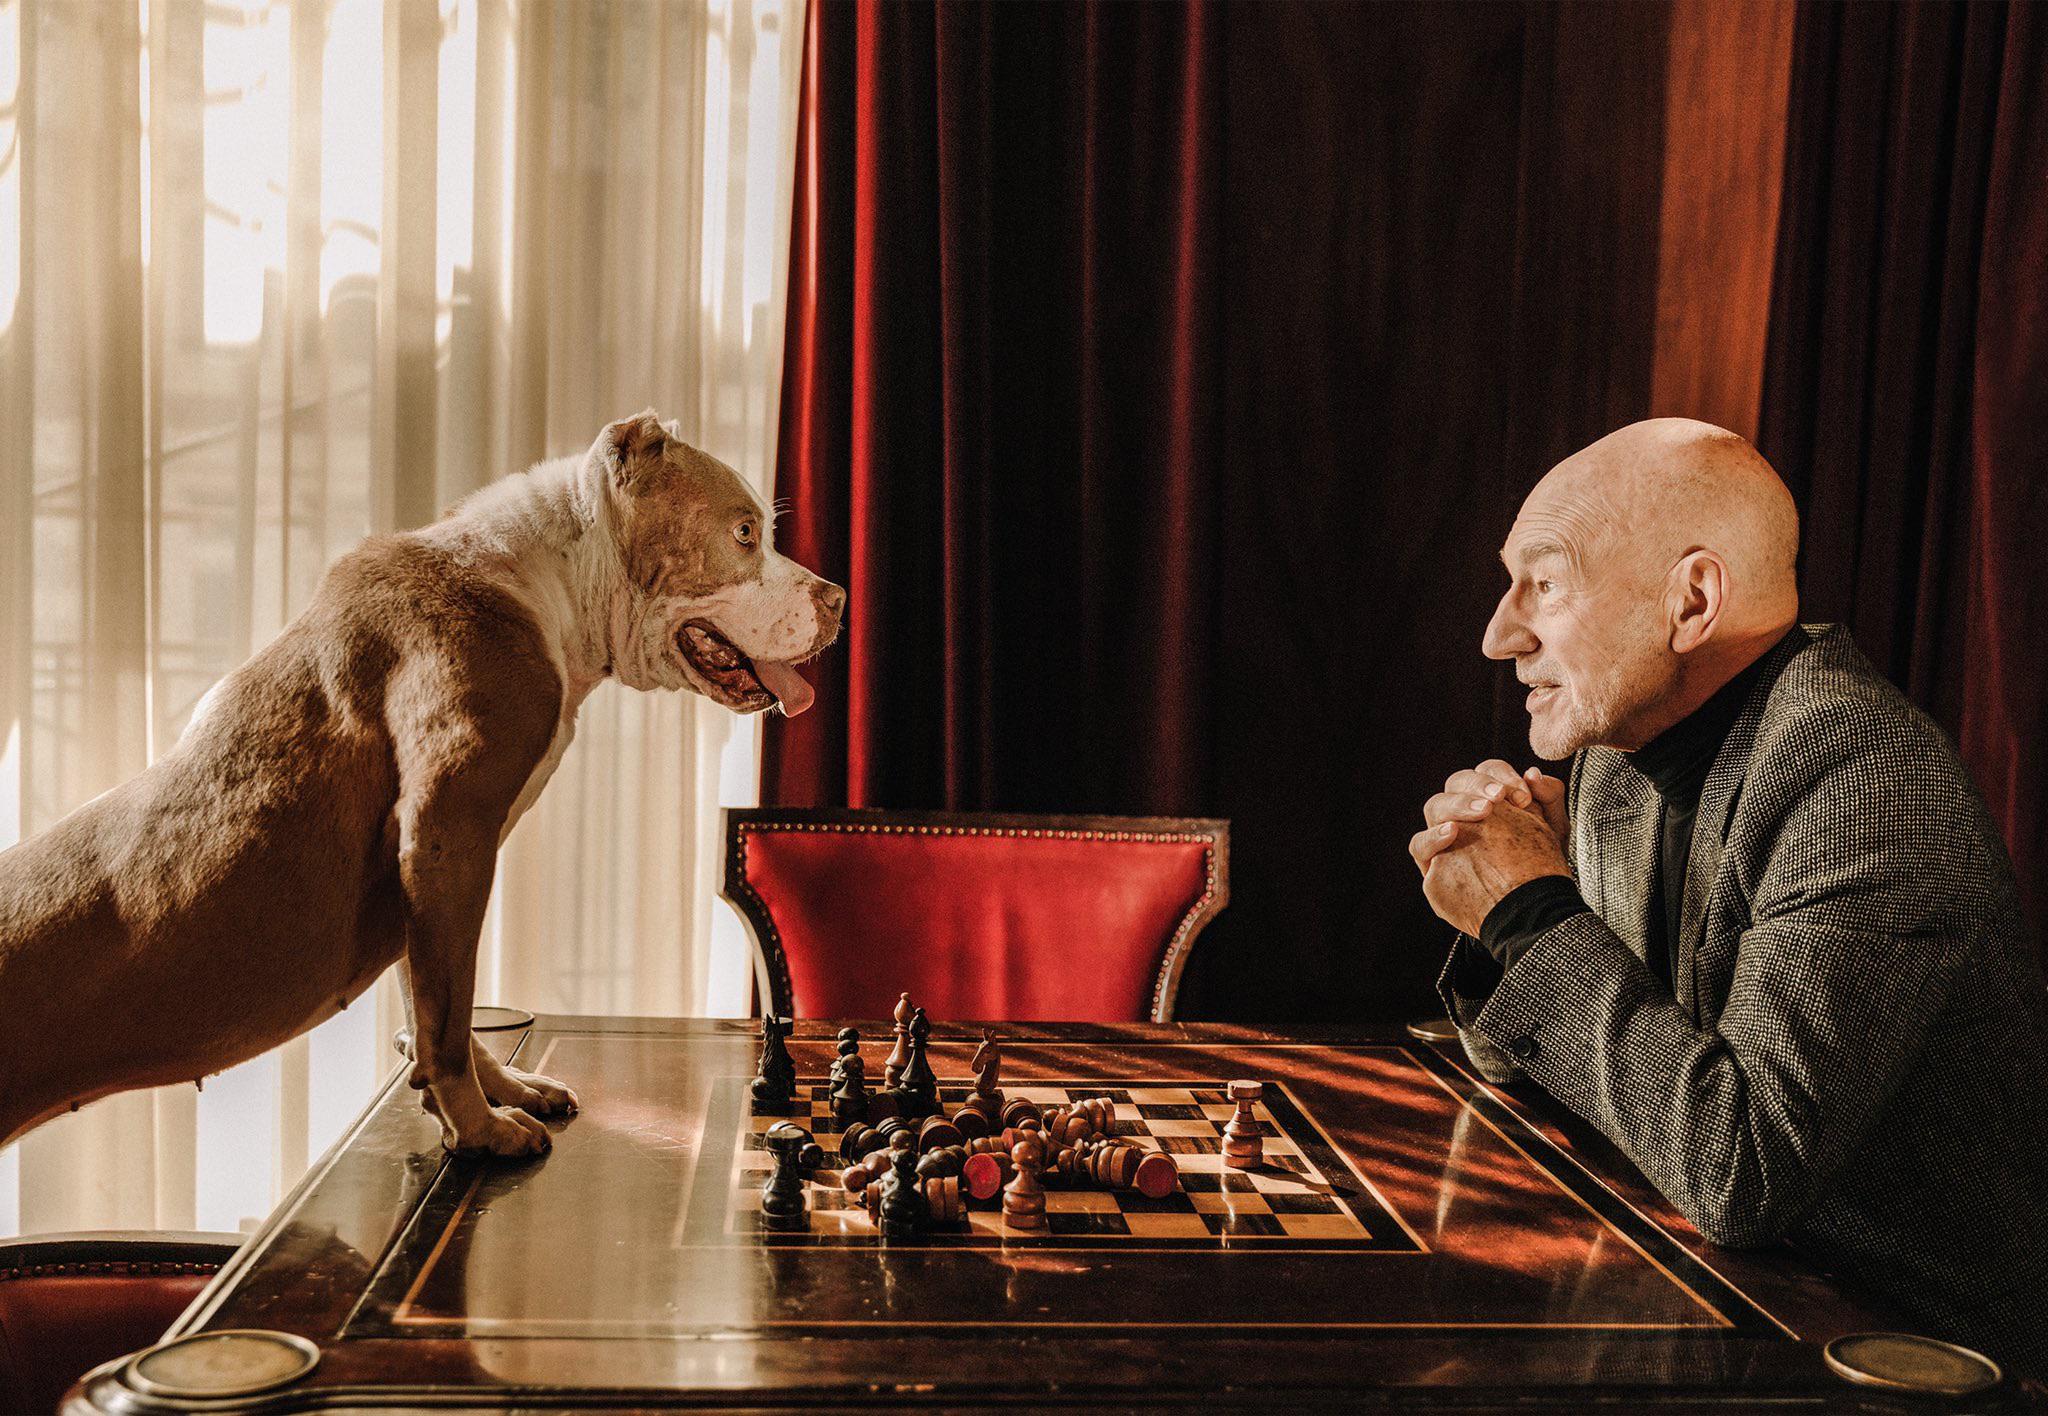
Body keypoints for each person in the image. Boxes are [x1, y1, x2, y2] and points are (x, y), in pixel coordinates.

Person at [1410, 418, 2048, 1375]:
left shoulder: (1860, 778)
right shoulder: (1624, 755)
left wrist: (1529, 913)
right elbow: (1557, 1075)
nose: (1501, 634)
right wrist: (1520, 902)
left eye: (1544, 583)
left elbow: (1737, 1167)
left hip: (1895, 1356)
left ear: (1692, 599)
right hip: (1712, 1295)